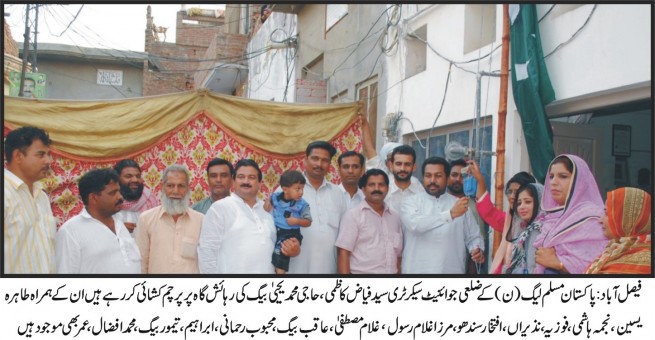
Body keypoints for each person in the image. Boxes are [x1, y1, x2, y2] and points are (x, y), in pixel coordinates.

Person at [198, 159, 299, 274]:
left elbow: (281, 246)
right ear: (233, 181)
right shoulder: (220, 208)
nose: (246, 181)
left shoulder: (269, 210)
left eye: (251, 177)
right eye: (241, 177)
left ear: (260, 183)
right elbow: (207, 252)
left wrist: (293, 249)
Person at [401, 157, 485, 274]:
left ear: (447, 178)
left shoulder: (459, 205)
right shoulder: (410, 202)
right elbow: (415, 225)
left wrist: (477, 249)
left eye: (438, 176)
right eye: (428, 176)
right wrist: (450, 214)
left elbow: (474, 237)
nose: (432, 180)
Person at [533, 154, 608, 274]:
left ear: (580, 182)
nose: (553, 182)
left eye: (563, 176)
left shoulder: (594, 219)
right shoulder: (551, 217)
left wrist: (559, 264)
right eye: (551, 176)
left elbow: (599, 266)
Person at [55, 169, 141, 274]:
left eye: (119, 191)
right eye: (112, 193)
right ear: (93, 198)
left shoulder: (119, 225)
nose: (120, 197)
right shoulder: (70, 231)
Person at [288, 141, 347, 274]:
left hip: (329, 270)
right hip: (295, 271)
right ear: (305, 160)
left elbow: (344, 236)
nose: (319, 164)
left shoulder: (337, 193)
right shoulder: (288, 188)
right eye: (315, 158)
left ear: (329, 165)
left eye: (324, 160)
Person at [4, 126, 56, 274]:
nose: (48, 161)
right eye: (41, 155)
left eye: (48, 154)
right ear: (18, 156)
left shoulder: (42, 197)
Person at [135, 165, 203, 274]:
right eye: (170, 185)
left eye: (181, 186)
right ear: (163, 188)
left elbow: (205, 260)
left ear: (188, 189)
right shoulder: (146, 219)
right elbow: (141, 262)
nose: (175, 191)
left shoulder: (201, 220)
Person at [336, 169, 402, 274]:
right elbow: (343, 253)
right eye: (371, 185)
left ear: (388, 188)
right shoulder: (353, 216)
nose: (377, 188)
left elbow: (398, 256)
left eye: (381, 185)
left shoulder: (395, 217)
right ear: (363, 189)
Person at [586, 187, 651, 274]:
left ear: (626, 219)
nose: (600, 220)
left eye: (607, 213)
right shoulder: (615, 251)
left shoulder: (643, 263)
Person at [468, 159, 536, 233]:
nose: (512, 196)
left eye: (517, 192)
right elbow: (489, 213)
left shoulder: (543, 224)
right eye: (510, 191)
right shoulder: (510, 221)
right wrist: (479, 179)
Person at [493, 183, 545, 274]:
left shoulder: (540, 229)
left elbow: (533, 268)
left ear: (538, 202)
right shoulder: (524, 230)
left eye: (527, 202)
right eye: (519, 203)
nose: (521, 207)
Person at [269, 170, 312, 274]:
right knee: (272, 254)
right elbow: (267, 205)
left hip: (291, 234)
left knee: (281, 252)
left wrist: (297, 220)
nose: (301, 192)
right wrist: (267, 203)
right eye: (297, 189)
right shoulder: (276, 197)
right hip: (277, 232)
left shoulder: (302, 204)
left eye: (302, 189)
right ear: (285, 189)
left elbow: (308, 221)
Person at [449, 158, 487, 274]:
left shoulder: (474, 208)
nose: (458, 179)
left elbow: (476, 247)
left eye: (463, 176)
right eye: (454, 175)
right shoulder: (439, 203)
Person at [113, 159, 159, 235]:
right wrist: (119, 229)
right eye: (128, 176)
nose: (135, 180)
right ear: (117, 179)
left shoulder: (150, 201)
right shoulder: (109, 203)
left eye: (138, 176)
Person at [385, 145, 424, 213]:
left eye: (407, 164)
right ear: (391, 166)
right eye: (398, 164)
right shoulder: (384, 191)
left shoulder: (421, 192)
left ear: (414, 167)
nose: (402, 168)